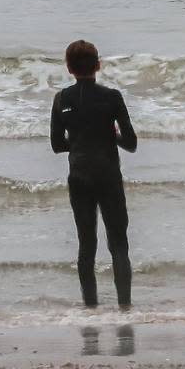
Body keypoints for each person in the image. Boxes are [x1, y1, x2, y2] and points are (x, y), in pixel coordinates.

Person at [50, 40, 137, 307]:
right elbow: (131, 143)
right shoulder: (112, 97)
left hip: (79, 177)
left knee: (86, 245)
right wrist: (113, 137)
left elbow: (56, 145)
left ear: (69, 68)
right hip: (108, 175)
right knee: (118, 244)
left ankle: (90, 307)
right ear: (98, 65)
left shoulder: (61, 99)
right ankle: (124, 306)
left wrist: (76, 144)